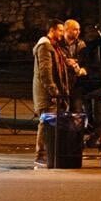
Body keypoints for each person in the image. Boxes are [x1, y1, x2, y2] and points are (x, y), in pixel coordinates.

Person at [31, 19, 69, 166]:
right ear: (52, 30)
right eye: (60, 30)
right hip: (46, 94)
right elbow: (45, 72)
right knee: (46, 122)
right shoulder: (45, 47)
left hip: (50, 93)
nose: (62, 33)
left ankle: (48, 153)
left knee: (49, 122)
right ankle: (41, 155)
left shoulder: (53, 47)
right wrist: (54, 91)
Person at [61, 19, 89, 113]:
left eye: (79, 29)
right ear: (66, 29)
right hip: (62, 82)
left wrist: (82, 70)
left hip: (76, 84)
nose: (78, 32)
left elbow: (85, 63)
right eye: (75, 29)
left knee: (77, 111)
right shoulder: (58, 44)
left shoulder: (81, 44)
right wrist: (65, 62)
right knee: (61, 112)